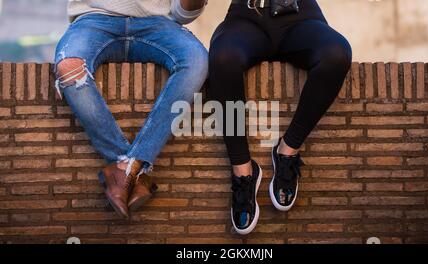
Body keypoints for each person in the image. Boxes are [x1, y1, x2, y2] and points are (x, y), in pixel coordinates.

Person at [208, 0, 352, 234]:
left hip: (301, 17)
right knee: (223, 59)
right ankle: (243, 172)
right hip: (246, 17)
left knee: (336, 54)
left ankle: (288, 150)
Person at [54, 0, 208, 219]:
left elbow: (183, 14)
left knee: (197, 60)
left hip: (158, 24)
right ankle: (134, 168)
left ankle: (125, 170)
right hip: (92, 21)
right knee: (68, 67)